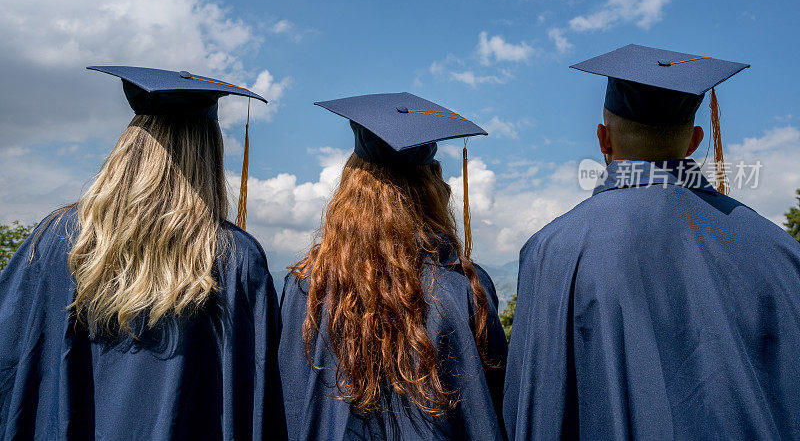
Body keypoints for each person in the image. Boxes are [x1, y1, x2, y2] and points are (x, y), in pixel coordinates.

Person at [504, 44, 800, 440]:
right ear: (695, 140)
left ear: (603, 140)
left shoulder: (552, 251)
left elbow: (538, 409)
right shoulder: (779, 250)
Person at [0, 66, 285, 440]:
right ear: (209, 152)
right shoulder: (236, 258)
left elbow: (10, 358)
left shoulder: (56, 236)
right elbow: (256, 391)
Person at [279, 93, 508, 440]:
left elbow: (289, 397)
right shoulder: (462, 286)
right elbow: (490, 404)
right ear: (432, 185)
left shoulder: (308, 287)